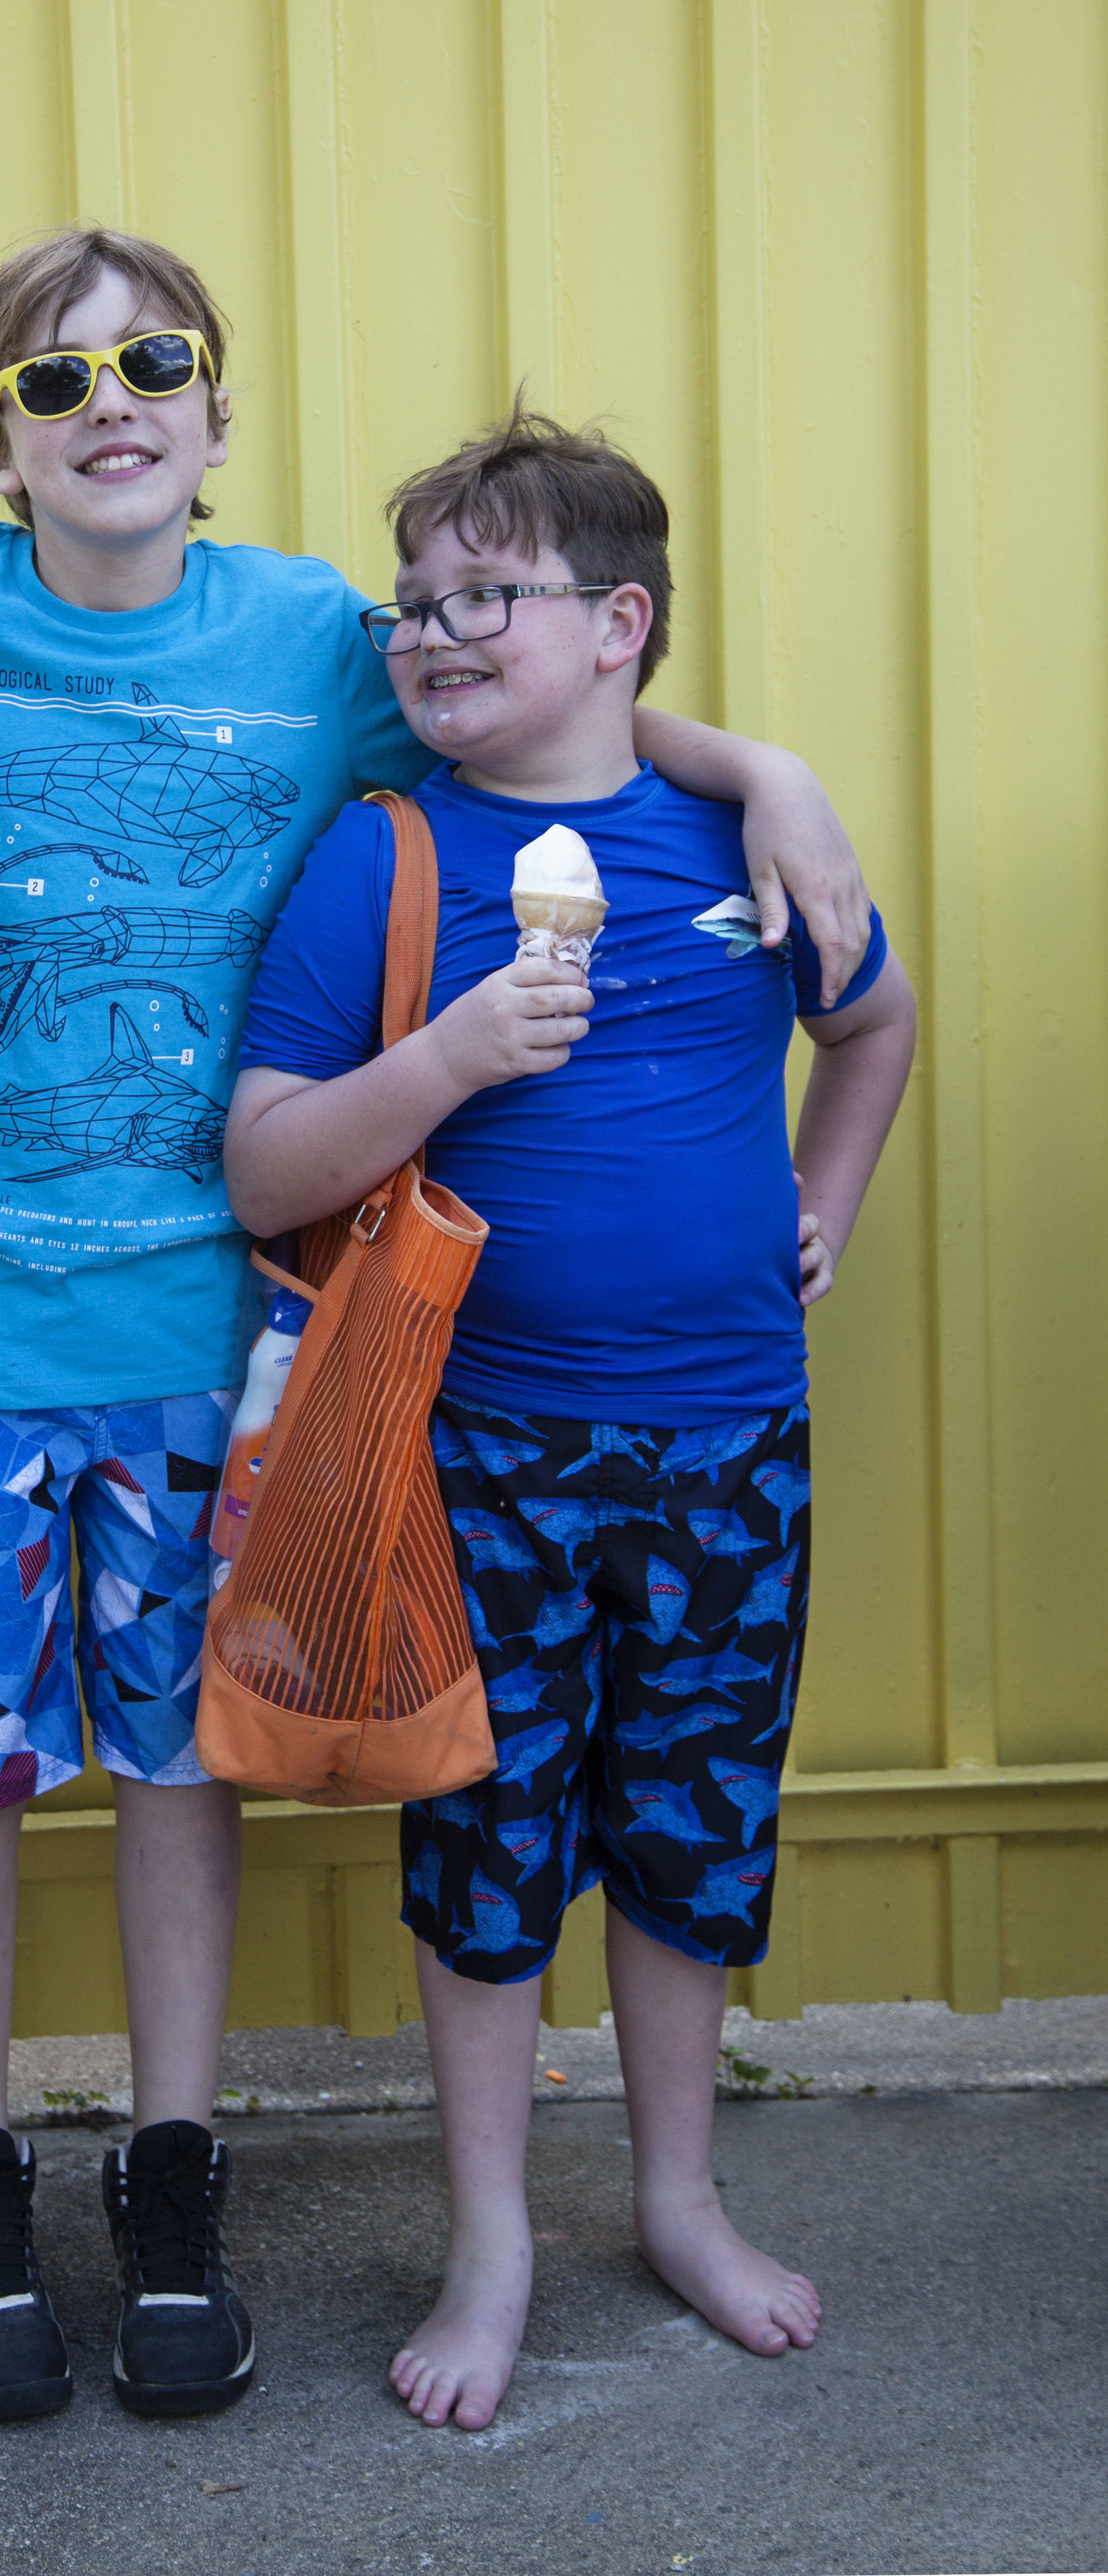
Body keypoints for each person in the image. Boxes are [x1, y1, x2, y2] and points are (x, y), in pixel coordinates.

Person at [0, 230, 874, 2424]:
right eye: (56, 376)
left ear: (216, 405)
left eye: (157, 361)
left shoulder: (308, 634)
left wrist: (759, 764)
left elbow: (541, 706)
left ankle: (171, 2169)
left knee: (184, 1759)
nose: (113, 400)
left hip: (225, 1322)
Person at [224, 402, 916, 2430]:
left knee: (692, 1825)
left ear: (618, 624)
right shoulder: (387, 853)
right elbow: (266, 1169)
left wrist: (827, 1202)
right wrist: (443, 1056)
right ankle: (491, 2235)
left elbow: (867, 1019)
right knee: (490, 1841)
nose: (431, 633)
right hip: (479, 1448)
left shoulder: (741, 837)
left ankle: (680, 2198)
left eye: (483, 595)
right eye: (408, 602)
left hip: (727, 1440)